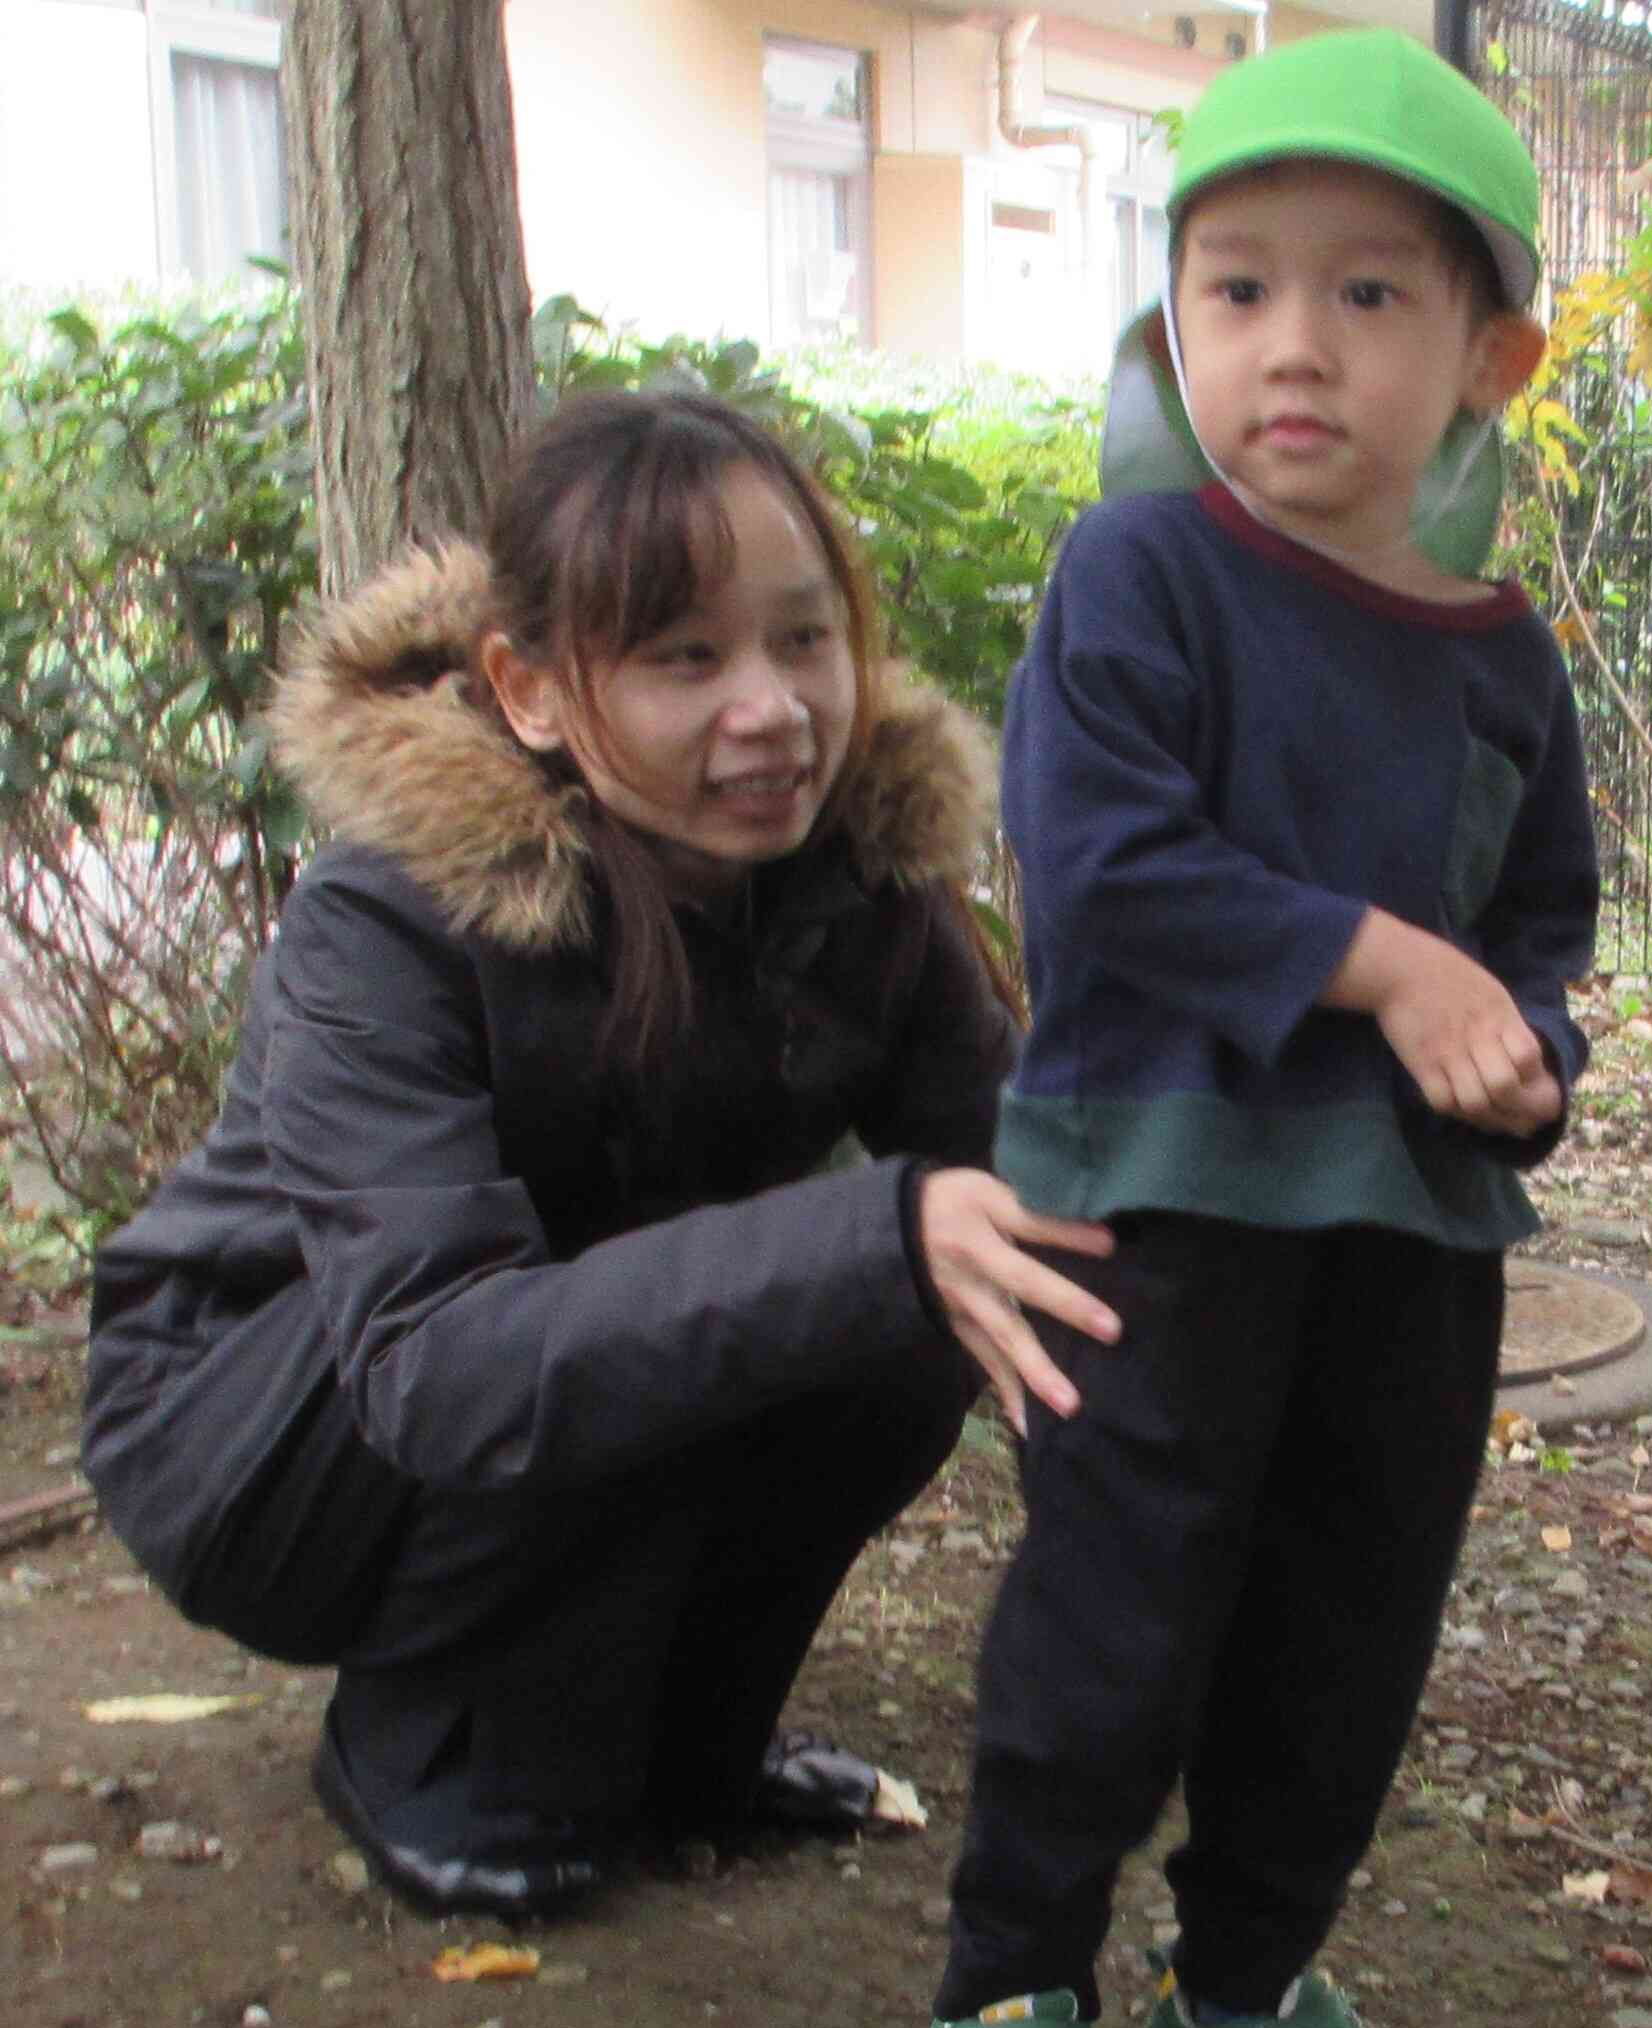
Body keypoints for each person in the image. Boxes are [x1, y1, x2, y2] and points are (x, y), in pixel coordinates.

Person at [83, 391, 1118, 1922]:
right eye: (684, 659)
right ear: (532, 689)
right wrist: (872, 1236)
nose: (769, 710)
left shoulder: (865, 874)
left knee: (905, 1316)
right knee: (803, 1268)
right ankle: (413, 1742)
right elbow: (439, 1364)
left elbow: (1033, 1195)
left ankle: (693, 1744)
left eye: (803, 639)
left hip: (538, 1330)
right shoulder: (387, 917)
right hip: (268, 1420)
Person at [912, 28, 1596, 2028]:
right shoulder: (1142, 576)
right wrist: (1394, 973)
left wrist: (1526, 1047)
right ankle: (1008, 1998)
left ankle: (1240, 1987)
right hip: (1161, 1204)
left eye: (1366, 294)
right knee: (1120, 1613)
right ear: (1170, 321)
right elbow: (1102, 869)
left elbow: (1539, 925)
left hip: (1404, 1227)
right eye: (1233, 288)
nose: (1291, 345)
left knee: (1347, 1618)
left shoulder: (1501, 654)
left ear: (1488, 351)